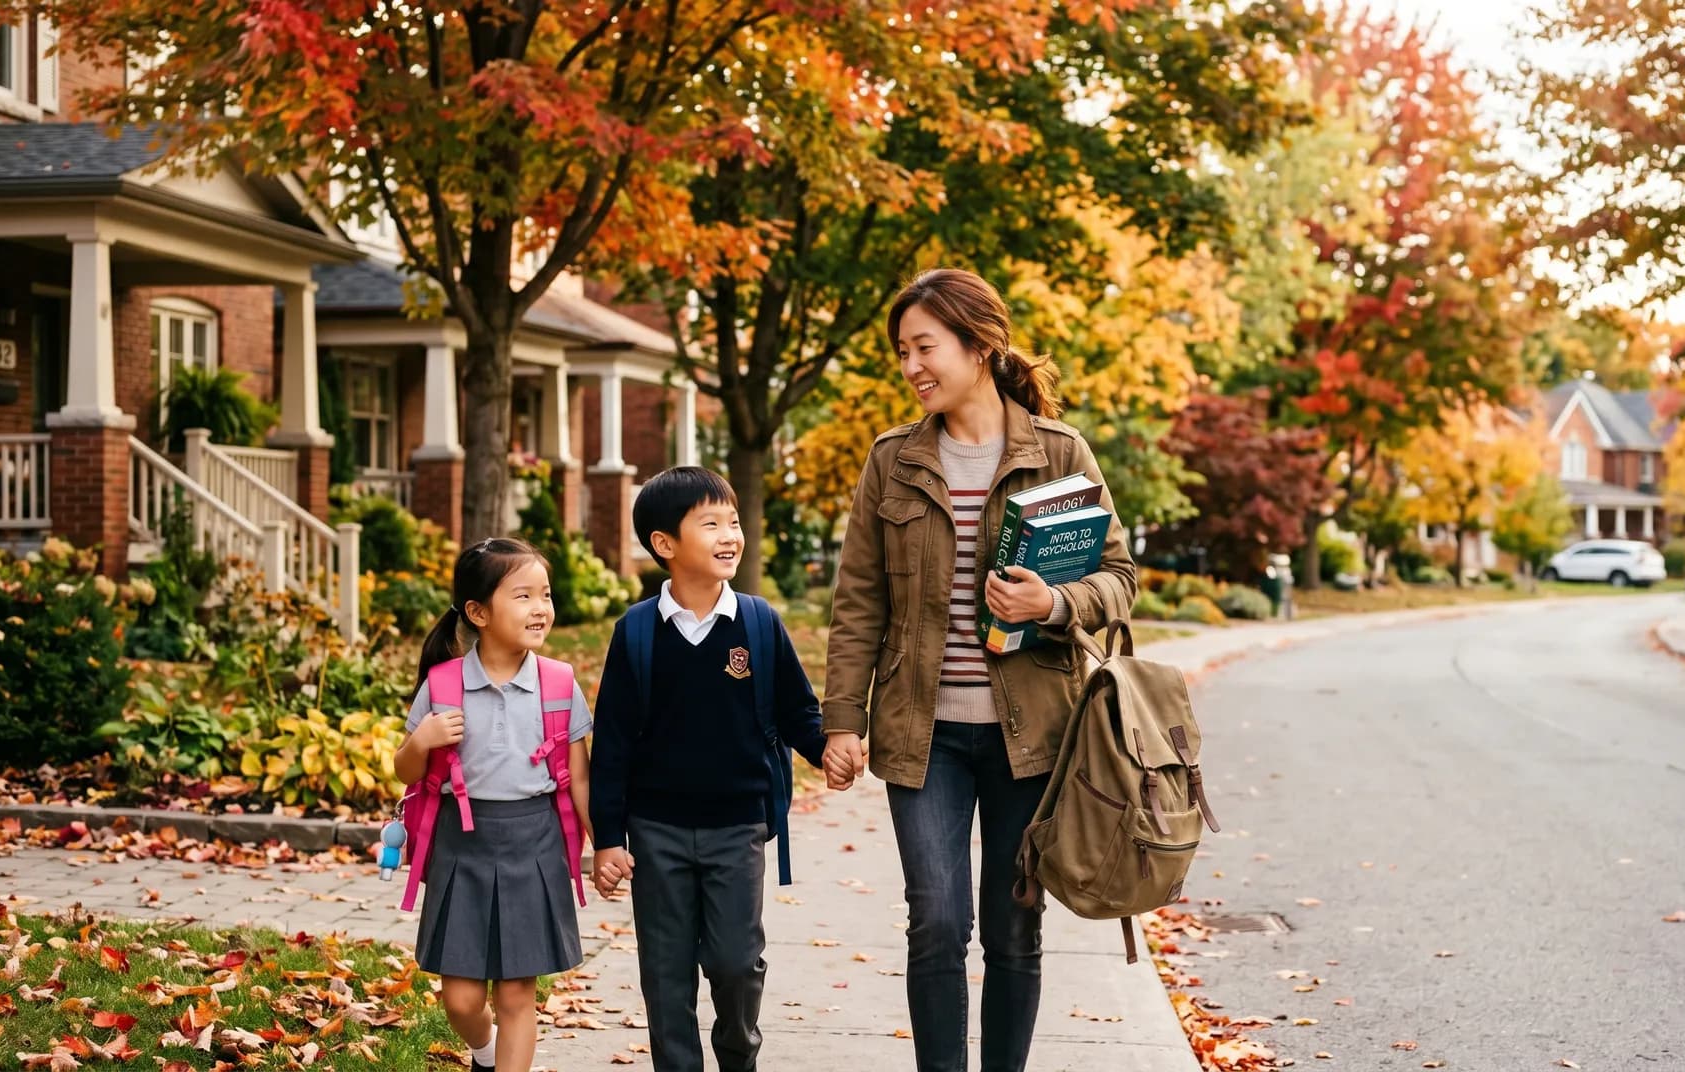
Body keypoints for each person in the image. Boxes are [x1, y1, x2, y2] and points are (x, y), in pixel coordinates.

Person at [823, 268, 1137, 1071]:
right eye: (902, 351)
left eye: (924, 347)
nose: (911, 366)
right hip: (922, 736)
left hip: (1030, 739)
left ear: (979, 345)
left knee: (1012, 926)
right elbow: (858, 601)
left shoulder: (1059, 452)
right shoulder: (892, 461)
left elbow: (1119, 580)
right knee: (934, 918)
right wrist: (843, 721)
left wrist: (1054, 605)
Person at [589, 466, 864, 1072]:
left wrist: (827, 751)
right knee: (665, 972)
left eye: (733, 522)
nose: (729, 535)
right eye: (710, 523)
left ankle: (739, 1057)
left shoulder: (758, 623)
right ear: (665, 544)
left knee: (737, 962)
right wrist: (607, 840)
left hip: (738, 826)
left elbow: (797, 713)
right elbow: (610, 746)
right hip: (655, 829)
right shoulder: (636, 633)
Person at [393, 537, 594, 1072]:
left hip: (534, 844)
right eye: (523, 596)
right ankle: (483, 1052)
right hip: (463, 845)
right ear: (478, 612)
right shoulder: (443, 685)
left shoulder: (558, 682)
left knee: (515, 996)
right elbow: (405, 771)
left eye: (544, 595)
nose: (540, 608)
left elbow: (577, 777)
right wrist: (424, 740)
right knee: (460, 998)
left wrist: (608, 846)